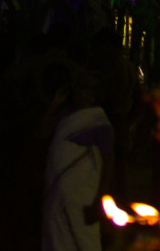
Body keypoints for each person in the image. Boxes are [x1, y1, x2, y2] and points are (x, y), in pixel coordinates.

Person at [42, 70, 114, 251]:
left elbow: (107, 162)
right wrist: (53, 106)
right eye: (78, 88)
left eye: (86, 89)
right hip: (57, 193)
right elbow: (40, 133)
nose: (80, 93)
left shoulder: (99, 122)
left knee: (84, 239)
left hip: (82, 196)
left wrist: (99, 199)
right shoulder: (65, 117)